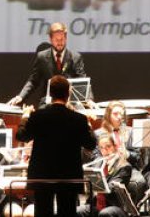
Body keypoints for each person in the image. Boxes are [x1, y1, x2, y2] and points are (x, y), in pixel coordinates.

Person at [17, 75, 98, 217]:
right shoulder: (78, 119)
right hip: (68, 177)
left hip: (42, 176)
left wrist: (25, 116)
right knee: (67, 213)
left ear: (50, 94)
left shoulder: (37, 116)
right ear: (68, 94)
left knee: (43, 213)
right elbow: (91, 144)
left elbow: (21, 136)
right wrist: (88, 124)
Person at [8, 23, 87, 106]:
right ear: (51, 39)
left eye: (62, 39)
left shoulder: (75, 57)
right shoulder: (42, 57)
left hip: (69, 103)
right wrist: (20, 96)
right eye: (57, 39)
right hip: (48, 103)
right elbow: (33, 81)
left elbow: (83, 80)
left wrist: (88, 99)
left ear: (66, 38)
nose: (60, 42)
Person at [77, 134, 133, 217]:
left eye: (108, 146)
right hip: (96, 204)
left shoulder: (124, 166)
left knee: (105, 213)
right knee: (78, 211)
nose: (105, 150)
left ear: (115, 147)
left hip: (114, 205)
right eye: (101, 147)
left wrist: (95, 183)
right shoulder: (98, 162)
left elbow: (112, 188)